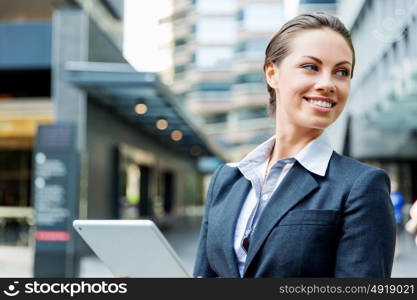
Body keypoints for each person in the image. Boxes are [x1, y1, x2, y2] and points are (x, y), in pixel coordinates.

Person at [194, 12, 396, 278]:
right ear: (272, 73)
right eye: (311, 67)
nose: (327, 84)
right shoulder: (226, 181)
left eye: (341, 72)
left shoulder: (361, 186)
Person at [389, 180, 405, 258]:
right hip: (389, 218)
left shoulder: (399, 196)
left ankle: (397, 251)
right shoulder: (387, 195)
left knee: (396, 235)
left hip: (397, 218)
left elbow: (401, 208)